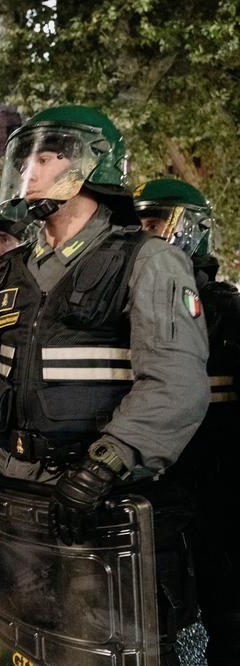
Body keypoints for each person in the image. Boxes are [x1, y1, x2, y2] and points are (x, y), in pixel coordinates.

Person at [0, 106, 209, 663]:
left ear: (92, 165)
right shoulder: (3, 270)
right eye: (26, 158)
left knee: (103, 647)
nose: (30, 172)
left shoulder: (148, 260)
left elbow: (175, 382)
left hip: (100, 501)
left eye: (47, 157)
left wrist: (106, 463)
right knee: (19, 638)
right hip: (13, 493)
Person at [134, 178, 240, 665]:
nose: (144, 235)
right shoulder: (133, 297)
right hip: (156, 478)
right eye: (139, 225)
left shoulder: (224, 308)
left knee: (224, 599)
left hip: (214, 476)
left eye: (154, 224)